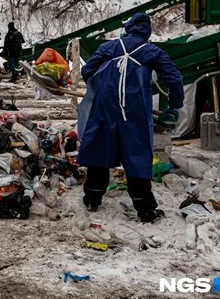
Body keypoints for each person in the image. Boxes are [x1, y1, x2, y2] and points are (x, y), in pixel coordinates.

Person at [77, 13, 184, 223]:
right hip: (134, 110)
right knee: (137, 152)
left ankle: (92, 198)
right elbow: (174, 79)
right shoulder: (152, 51)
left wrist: (100, 87)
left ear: (128, 28)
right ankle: (145, 209)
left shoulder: (109, 47)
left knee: (99, 147)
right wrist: (174, 104)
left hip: (104, 106)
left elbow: (88, 70)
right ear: (148, 31)